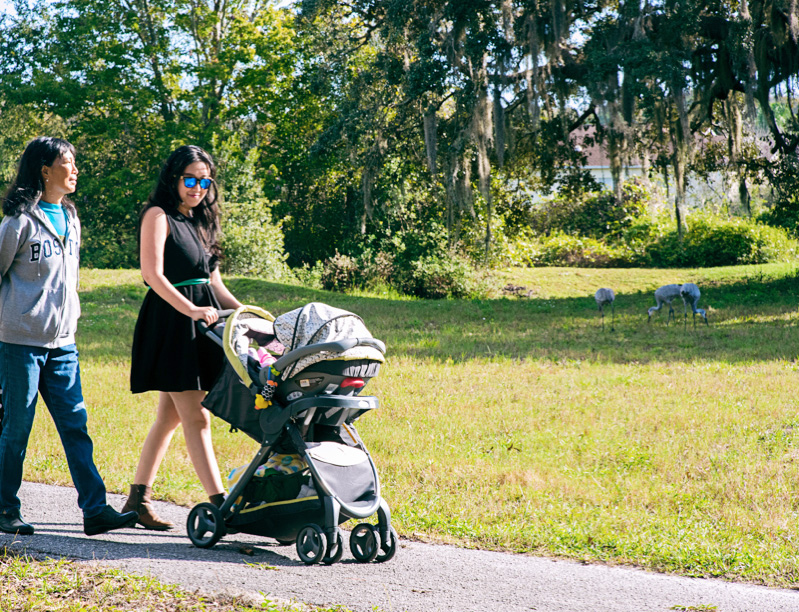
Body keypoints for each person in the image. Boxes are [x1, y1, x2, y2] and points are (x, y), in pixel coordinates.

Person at [0, 136, 138, 536]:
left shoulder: (71, 217)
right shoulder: (18, 222)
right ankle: (6, 508)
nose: (74, 170)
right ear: (45, 170)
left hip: (63, 343)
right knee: (17, 426)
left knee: (76, 425)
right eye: (68, 162)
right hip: (19, 342)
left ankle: (95, 511)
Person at [123, 145, 242, 530]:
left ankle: (137, 500)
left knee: (169, 418)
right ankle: (220, 504)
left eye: (205, 181)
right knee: (197, 416)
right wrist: (189, 310)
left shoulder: (203, 221)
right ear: (173, 178)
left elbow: (215, 282)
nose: (197, 188)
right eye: (190, 179)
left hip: (203, 321)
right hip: (173, 322)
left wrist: (244, 314)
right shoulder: (158, 216)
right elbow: (152, 274)